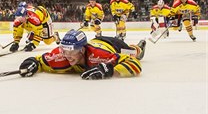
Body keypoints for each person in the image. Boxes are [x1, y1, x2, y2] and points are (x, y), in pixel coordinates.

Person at [18, 29, 146, 80]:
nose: (67, 55)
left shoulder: (99, 56)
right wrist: (32, 63)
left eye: (71, 50)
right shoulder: (62, 56)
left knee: (134, 53)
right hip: (95, 43)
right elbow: (41, 60)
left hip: (111, 44)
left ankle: (139, 47)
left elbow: (134, 63)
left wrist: (110, 70)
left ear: (82, 50)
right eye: (64, 49)